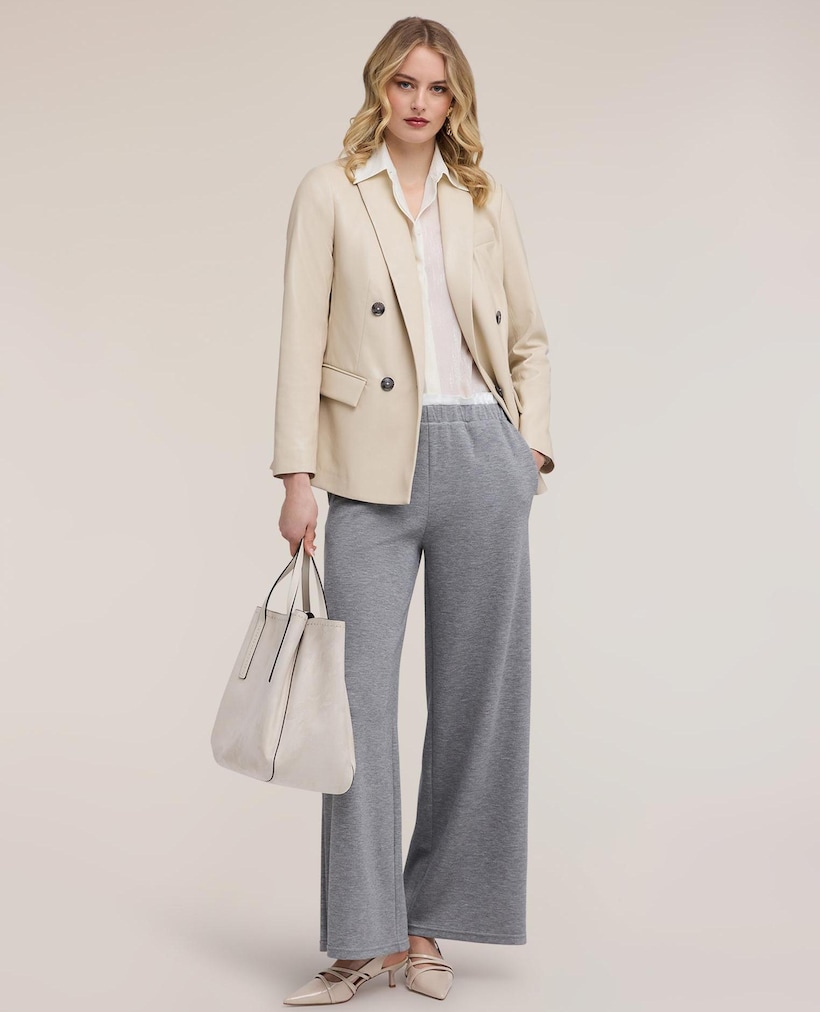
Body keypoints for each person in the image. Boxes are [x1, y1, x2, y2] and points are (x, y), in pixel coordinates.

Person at [269, 15, 555, 1006]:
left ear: (455, 99)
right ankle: (364, 939)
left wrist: (528, 449)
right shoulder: (331, 190)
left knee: (477, 701)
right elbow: (299, 336)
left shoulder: (482, 199)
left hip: (480, 457)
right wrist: (296, 476)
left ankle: (427, 925)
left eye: (437, 87)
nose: (420, 102)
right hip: (365, 467)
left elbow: (530, 338)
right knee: (357, 708)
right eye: (405, 84)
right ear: (379, 89)